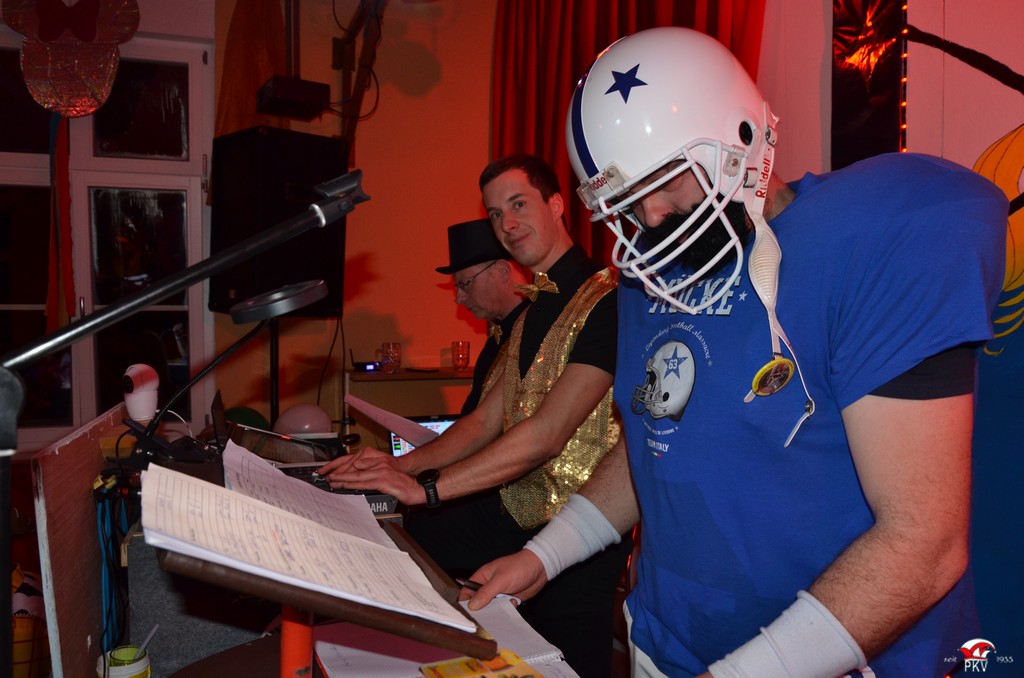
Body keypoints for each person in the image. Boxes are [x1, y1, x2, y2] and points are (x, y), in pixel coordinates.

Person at [462, 27, 1008, 678]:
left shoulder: (867, 240)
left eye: (665, 180)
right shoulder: (650, 275)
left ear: (740, 138)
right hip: (666, 643)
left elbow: (922, 542)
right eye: (627, 201)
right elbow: (653, 447)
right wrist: (544, 556)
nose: (653, 217)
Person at [318, 154, 633, 677]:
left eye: (518, 205)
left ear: (558, 205)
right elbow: (485, 421)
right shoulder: (534, 307)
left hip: (581, 528)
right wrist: (400, 467)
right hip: (519, 514)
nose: (507, 224)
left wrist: (427, 489)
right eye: (495, 214)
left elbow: (547, 435)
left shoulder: (607, 300)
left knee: (570, 666)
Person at [434, 218, 529, 415]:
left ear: (503, 271)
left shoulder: (536, 332)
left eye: (465, 284)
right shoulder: (496, 339)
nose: (459, 299)